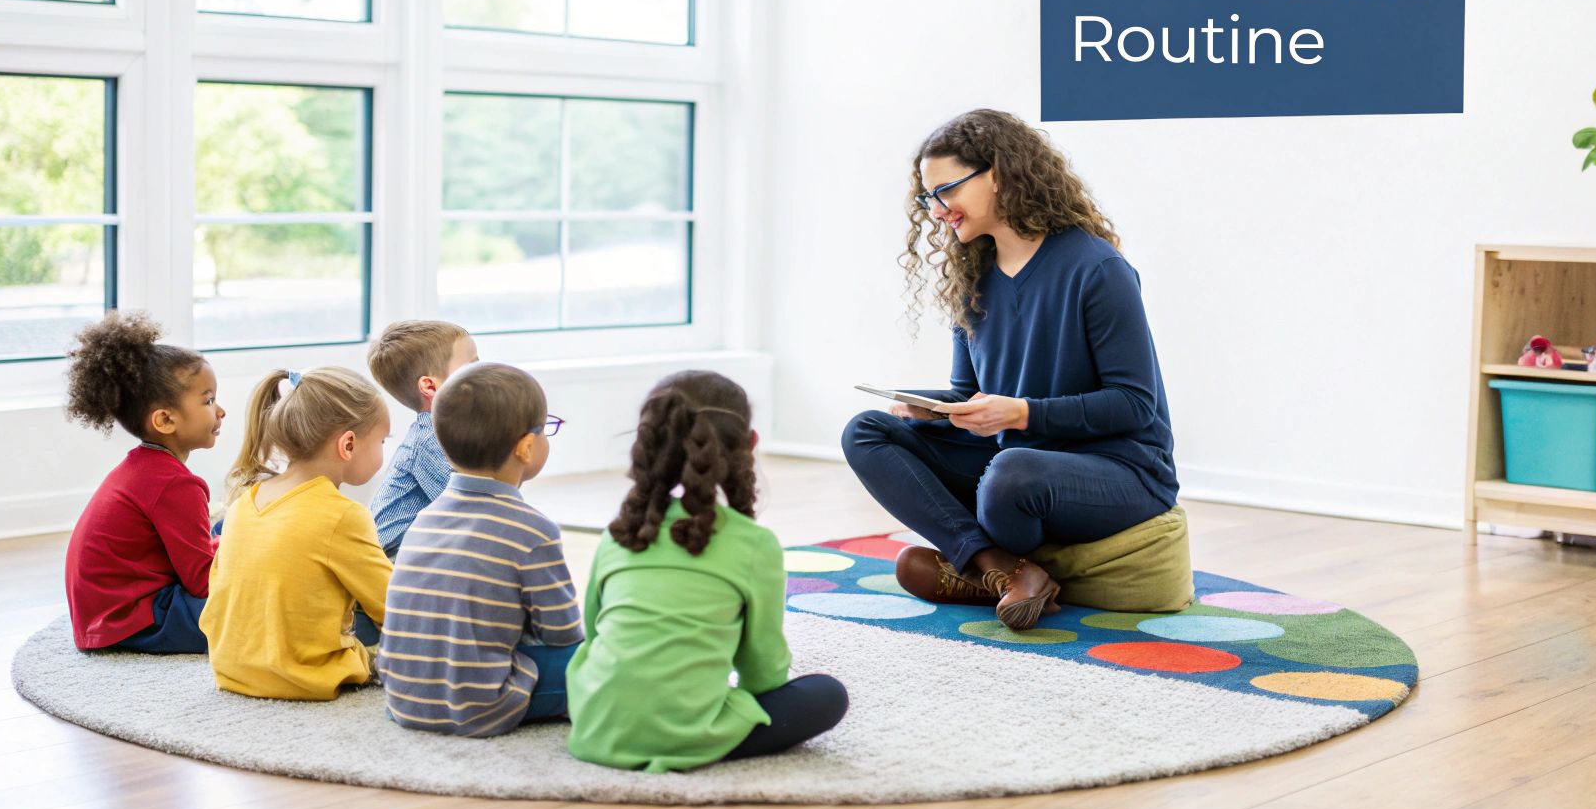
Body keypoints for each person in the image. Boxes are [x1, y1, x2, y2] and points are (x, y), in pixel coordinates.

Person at [841, 108, 1179, 631]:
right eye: (929, 197)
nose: (937, 210)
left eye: (946, 190)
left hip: (1119, 471)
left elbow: (1134, 404)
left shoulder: (1098, 269)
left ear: (996, 174)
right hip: (1014, 458)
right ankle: (999, 569)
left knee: (1009, 476)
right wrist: (931, 411)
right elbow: (970, 394)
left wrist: (1020, 414)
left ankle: (973, 571)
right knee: (867, 431)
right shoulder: (973, 277)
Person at [566, 371, 848, 772]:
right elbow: (763, 671)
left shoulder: (620, 534)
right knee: (826, 695)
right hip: (688, 732)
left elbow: (593, 635)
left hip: (593, 729)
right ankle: (689, 743)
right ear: (750, 444)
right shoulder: (754, 544)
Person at [378, 363, 583, 737]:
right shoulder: (534, 531)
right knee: (589, 659)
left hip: (402, 699)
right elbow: (564, 633)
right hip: (481, 708)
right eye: (546, 428)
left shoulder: (422, 519)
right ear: (526, 447)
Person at [200, 367, 393, 700]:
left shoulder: (246, 501)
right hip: (302, 675)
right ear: (348, 444)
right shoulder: (344, 515)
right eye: (381, 441)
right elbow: (394, 607)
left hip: (230, 668)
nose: (383, 451)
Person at [62, 311, 223, 654]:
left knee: (228, 527)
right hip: (134, 619)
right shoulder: (175, 485)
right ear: (165, 420)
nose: (220, 411)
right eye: (208, 400)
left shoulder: (146, 468)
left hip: (107, 612)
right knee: (253, 610)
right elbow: (203, 581)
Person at [365, 320, 479, 558]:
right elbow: (473, 506)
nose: (484, 374)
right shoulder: (431, 442)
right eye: (472, 367)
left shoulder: (451, 433)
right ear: (430, 386)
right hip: (393, 562)